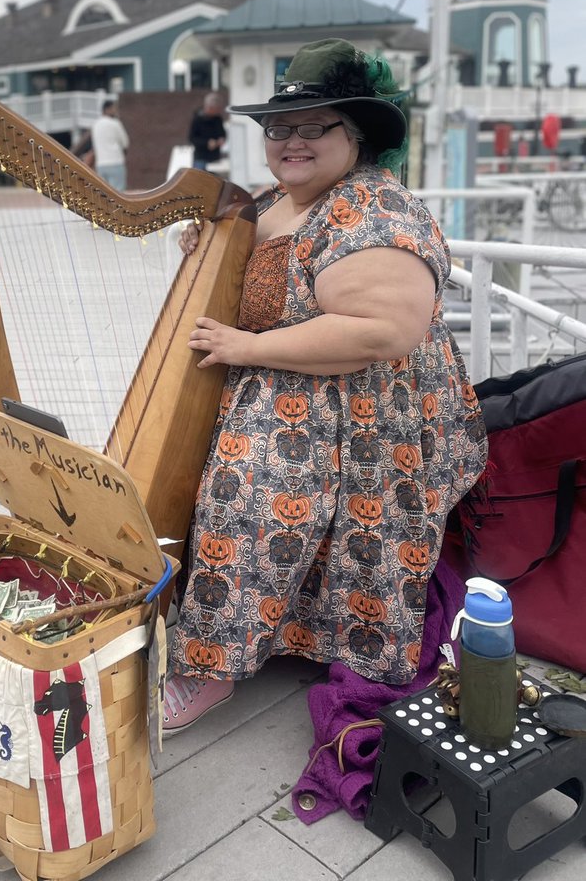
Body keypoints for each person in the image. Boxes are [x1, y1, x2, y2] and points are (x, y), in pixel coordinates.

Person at [163, 38, 488, 733]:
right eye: (280, 127)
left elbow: (379, 333)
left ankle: (209, 663)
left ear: (359, 134)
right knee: (229, 458)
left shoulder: (374, 210)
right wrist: (209, 246)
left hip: (368, 416)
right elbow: (253, 261)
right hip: (292, 388)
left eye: (316, 127)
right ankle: (265, 622)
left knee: (251, 480)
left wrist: (247, 347)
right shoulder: (278, 199)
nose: (292, 141)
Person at [91, 99, 129, 189]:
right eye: (113, 108)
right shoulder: (115, 123)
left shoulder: (95, 124)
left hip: (100, 164)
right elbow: (125, 143)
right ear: (107, 109)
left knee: (104, 195)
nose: (115, 111)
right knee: (118, 194)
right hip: (115, 163)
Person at [188, 91, 227, 170]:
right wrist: (207, 143)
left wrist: (221, 139)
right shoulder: (197, 119)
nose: (217, 111)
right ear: (209, 107)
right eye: (216, 109)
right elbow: (192, 138)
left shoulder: (217, 119)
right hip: (201, 157)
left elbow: (222, 133)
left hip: (215, 157)